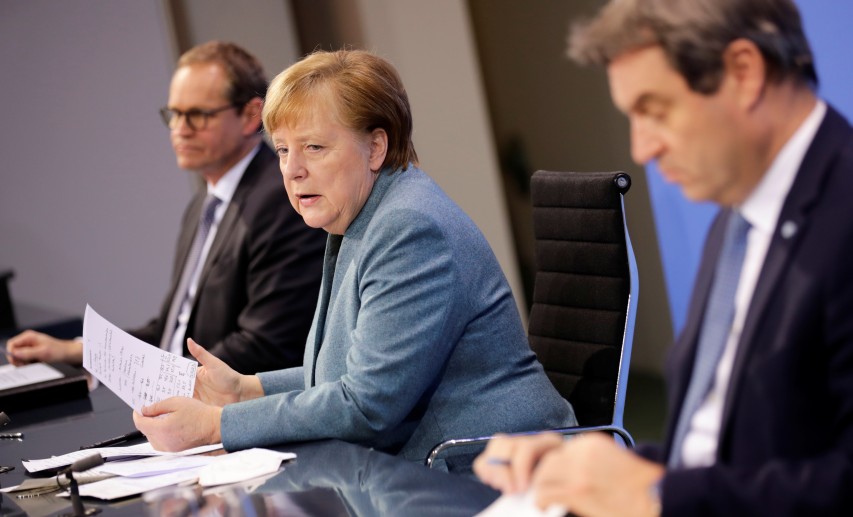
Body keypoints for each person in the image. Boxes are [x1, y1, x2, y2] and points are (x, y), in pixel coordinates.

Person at [474, 0, 853, 515]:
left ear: (744, 72)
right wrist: (587, 465)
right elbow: (717, 452)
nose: (641, 148)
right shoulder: (735, 220)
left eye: (654, 110)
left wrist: (654, 493)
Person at [132, 49, 577, 469]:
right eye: (284, 149)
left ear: (376, 148)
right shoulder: (362, 214)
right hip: (429, 463)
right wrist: (246, 390)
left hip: (491, 469)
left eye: (314, 148)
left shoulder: (409, 229)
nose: (291, 169)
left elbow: (366, 405)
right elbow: (342, 372)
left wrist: (214, 426)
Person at [6, 41, 325, 375]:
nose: (180, 129)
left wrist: (150, 380)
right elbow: (173, 330)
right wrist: (76, 350)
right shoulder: (203, 205)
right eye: (174, 114)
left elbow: (264, 345)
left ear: (249, 115)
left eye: (198, 115)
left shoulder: (280, 199)